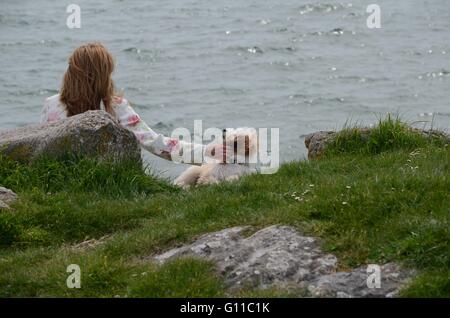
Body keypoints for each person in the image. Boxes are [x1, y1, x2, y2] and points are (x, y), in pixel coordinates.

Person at [41, 42, 226, 164]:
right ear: (103, 77)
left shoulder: (51, 104)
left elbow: (42, 146)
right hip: (108, 181)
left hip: (63, 178)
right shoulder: (115, 106)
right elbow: (157, 144)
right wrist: (211, 152)